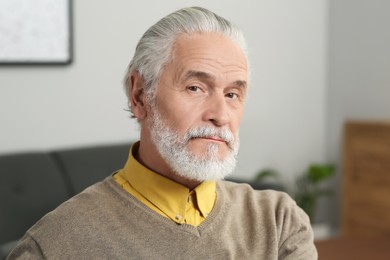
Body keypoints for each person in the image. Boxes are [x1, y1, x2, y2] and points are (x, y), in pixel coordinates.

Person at [8, 6, 317, 259]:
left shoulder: (279, 222)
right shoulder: (53, 246)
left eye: (232, 95)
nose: (220, 115)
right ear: (140, 95)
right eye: (195, 88)